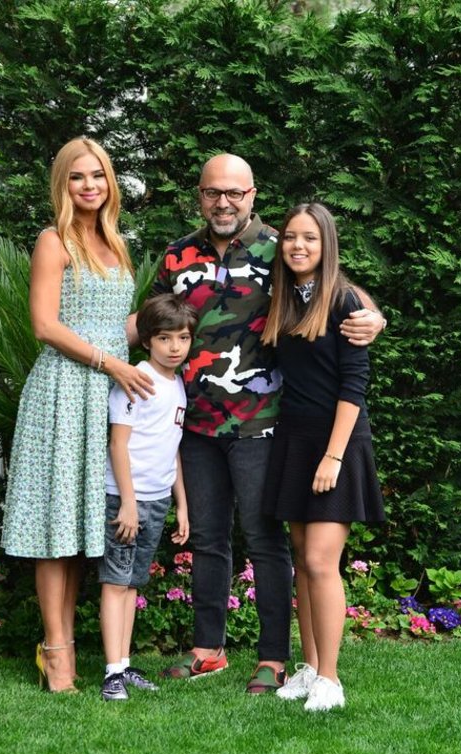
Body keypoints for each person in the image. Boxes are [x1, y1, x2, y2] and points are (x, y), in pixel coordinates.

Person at [129, 153, 385, 693]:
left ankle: (274, 658)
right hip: (195, 423)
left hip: (264, 424)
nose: (223, 202)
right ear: (199, 196)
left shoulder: (279, 247)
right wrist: (89, 345)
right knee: (207, 539)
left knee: (267, 541)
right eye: (212, 192)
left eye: (234, 193)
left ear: (252, 195)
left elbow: (336, 287)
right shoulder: (178, 255)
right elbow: (149, 321)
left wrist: (374, 316)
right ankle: (208, 649)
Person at [1, 137, 154, 694]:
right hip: (63, 394)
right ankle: (57, 652)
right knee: (55, 525)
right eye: (77, 177)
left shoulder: (117, 243)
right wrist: (111, 363)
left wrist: (173, 320)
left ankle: (65, 649)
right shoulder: (54, 240)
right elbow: (45, 325)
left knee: (81, 522)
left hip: (105, 396)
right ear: (62, 184)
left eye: (98, 176)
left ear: (110, 182)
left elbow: (116, 324)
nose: (89, 186)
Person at [261, 202, 385, 711]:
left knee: (319, 560)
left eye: (310, 238)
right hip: (294, 439)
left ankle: (331, 681)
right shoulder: (286, 297)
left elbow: (354, 386)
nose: (298, 246)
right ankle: (310, 667)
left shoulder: (344, 300)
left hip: (338, 442)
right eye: (291, 237)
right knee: (302, 560)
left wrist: (333, 457)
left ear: (327, 244)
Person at [99, 294, 198, 701]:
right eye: (164, 338)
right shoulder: (135, 379)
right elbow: (117, 444)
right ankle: (111, 673)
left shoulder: (178, 384)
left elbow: (172, 446)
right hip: (126, 499)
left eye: (183, 338)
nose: (175, 347)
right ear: (146, 340)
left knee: (132, 583)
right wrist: (127, 503)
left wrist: (182, 503)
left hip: (157, 499)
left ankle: (123, 664)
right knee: (115, 582)